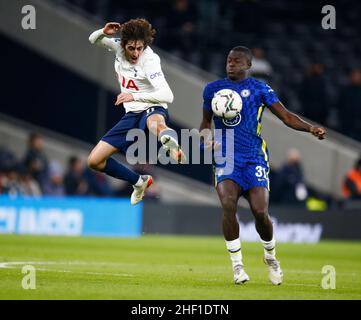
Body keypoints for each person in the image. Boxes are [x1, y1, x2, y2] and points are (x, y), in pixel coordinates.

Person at [199, 46, 326, 285]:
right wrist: (206, 139)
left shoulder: (259, 89)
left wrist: (310, 128)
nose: (231, 64)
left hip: (254, 156)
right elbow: (205, 123)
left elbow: (286, 116)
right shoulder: (213, 89)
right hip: (226, 156)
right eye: (228, 60)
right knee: (228, 204)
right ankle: (237, 267)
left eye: (236, 61)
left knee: (260, 212)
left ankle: (271, 256)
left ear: (248, 65)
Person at [88, 19, 185, 205]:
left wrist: (134, 96)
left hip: (151, 106)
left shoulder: (150, 60)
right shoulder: (117, 47)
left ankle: (170, 142)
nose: (136, 53)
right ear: (123, 44)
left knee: (154, 122)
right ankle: (139, 182)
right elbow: (93, 39)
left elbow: (168, 95)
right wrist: (103, 31)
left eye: (140, 48)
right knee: (94, 161)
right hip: (131, 114)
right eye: (131, 48)